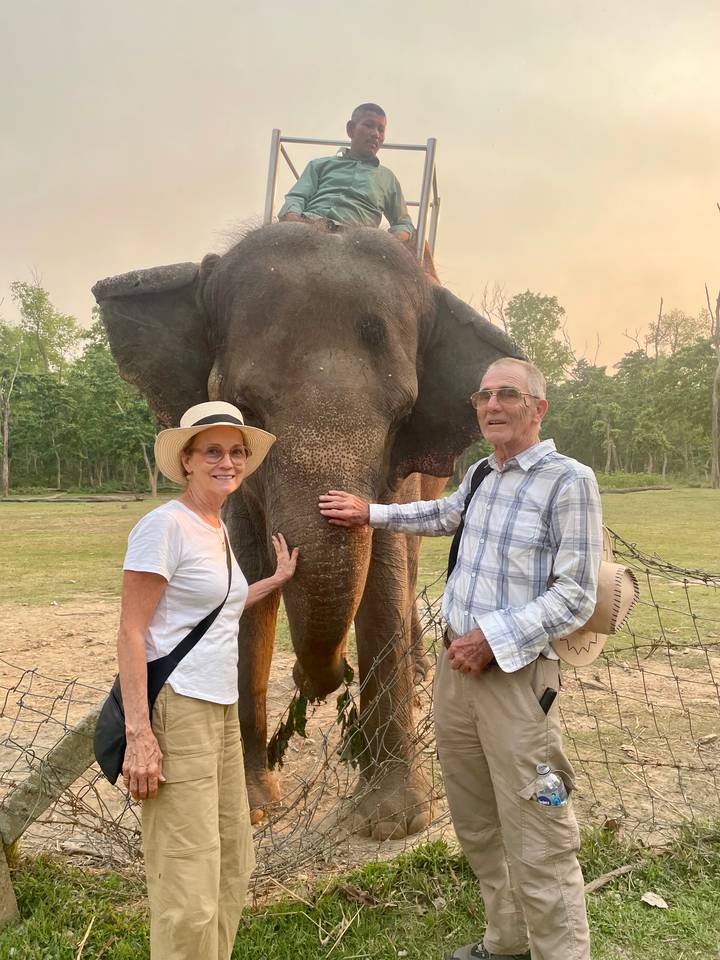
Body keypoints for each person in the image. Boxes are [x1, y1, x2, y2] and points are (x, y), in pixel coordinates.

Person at [318, 358, 603, 960]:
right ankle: (507, 939)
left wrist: (492, 638)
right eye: (484, 395)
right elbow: (441, 515)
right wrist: (369, 512)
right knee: (476, 820)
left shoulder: (568, 481)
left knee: (539, 829)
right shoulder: (480, 475)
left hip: (516, 679)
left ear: (538, 408)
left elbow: (576, 594)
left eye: (508, 394)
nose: (492, 405)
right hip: (457, 670)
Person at [118, 400, 298, 960]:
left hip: (222, 710)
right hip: (180, 709)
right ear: (188, 461)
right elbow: (131, 632)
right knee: (187, 880)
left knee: (230, 863)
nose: (228, 462)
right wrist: (139, 735)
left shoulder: (214, 528)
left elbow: (221, 605)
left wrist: (275, 580)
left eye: (236, 452)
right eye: (213, 451)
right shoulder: (164, 526)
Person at [277, 102, 415, 241]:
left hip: (359, 239)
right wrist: (293, 218)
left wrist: (391, 241)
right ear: (351, 129)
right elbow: (297, 197)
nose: (375, 134)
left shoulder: (388, 178)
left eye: (381, 130)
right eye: (369, 125)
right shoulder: (319, 165)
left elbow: (403, 223)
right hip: (311, 226)